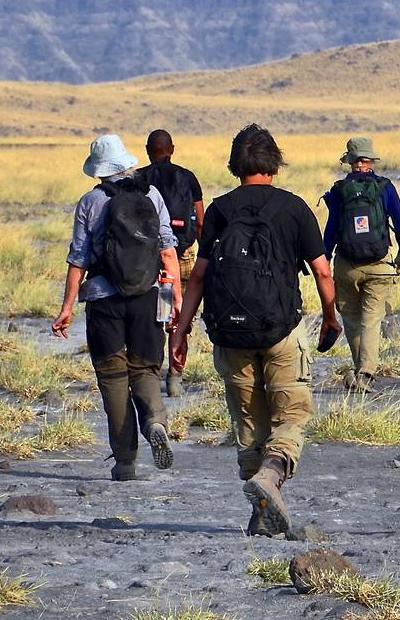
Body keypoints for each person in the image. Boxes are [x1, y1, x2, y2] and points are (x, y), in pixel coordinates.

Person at [170, 124, 339, 537]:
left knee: (248, 422)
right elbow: (320, 269)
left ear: (235, 165)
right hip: (281, 330)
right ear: (275, 162)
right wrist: (332, 316)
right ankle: (272, 474)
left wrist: (182, 331)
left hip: (230, 334)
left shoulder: (221, 210)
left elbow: (199, 277)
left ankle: (260, 513)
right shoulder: (294, 207)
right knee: (293, 414)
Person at [52, 134, 179, 481]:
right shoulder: (151, 194)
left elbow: (78, 259)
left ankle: (125, 461)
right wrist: (177, 297)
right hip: (148, 296)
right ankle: (155, 420)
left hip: (102, 299)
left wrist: (66, 308)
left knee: (112, 377)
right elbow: (167, 249)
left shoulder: (89, 202)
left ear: (99, 171)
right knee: (146, 369)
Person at [322, 136, 400, 393]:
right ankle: (366, 373)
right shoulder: (385, 187)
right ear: (371, 160)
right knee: (371, 319)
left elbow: (331, 230)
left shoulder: (339, 190)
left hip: (346, 265)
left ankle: (360, 370)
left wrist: (325, 260)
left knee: (350, 316)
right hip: (379, 264)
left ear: (349, 162)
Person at [143, 129, 205, 396]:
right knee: (181, 315)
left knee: (151, 314)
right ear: (172, 149)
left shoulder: (139, 178)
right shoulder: (188, 177)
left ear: (148, 151)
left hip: (148, 256)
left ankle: (151, 372)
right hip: (184, 253)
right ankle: (176, 376)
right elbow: (201, 221)